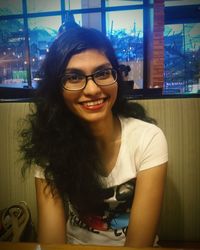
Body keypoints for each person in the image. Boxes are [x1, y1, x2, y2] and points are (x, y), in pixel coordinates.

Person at [19, 27, 168, 247]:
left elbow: (139, 245)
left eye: (102, 73)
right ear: (56, 88)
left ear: (116, 76)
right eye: (74, 77)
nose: (92, 89)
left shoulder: (148, 139)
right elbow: (52, 243)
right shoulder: (51, 144)